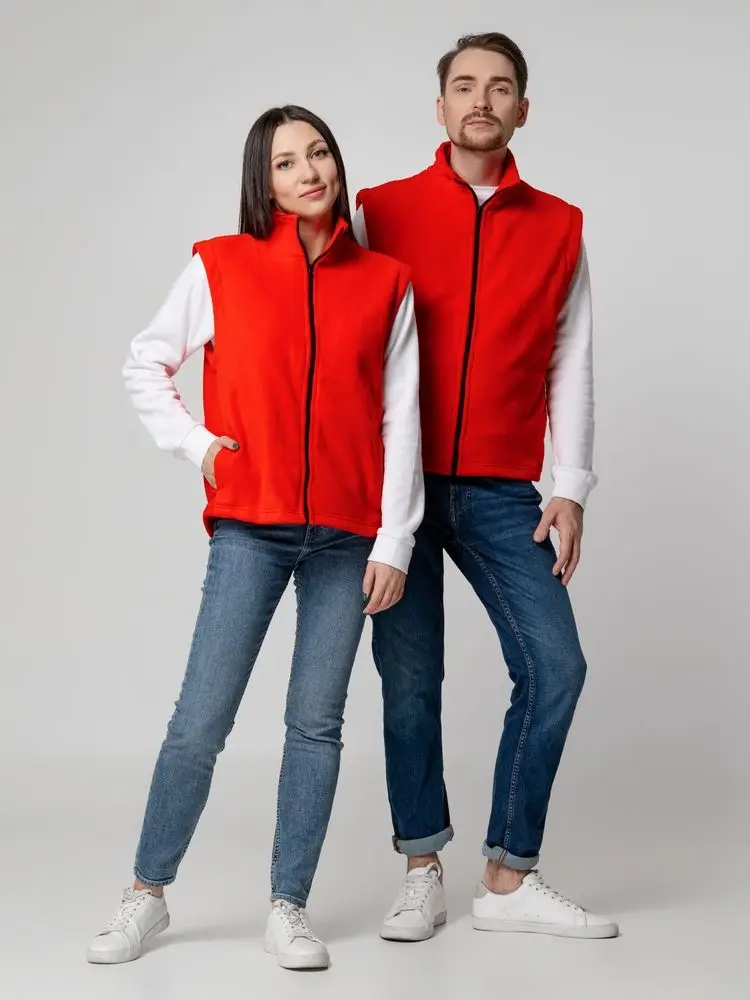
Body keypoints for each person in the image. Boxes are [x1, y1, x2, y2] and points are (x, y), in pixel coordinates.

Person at [86, 105, 423, 971]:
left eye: (319, 153)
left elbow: (402, 418)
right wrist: (198, 444)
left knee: (316, 725)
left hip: (348, 536)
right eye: (286, 162)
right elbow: (144, 361)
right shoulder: (220, 264)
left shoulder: (386, 281)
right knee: (200, 720)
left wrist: (395, 539)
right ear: (262, 181)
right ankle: (146, 894)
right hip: (251, 526)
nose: (309, 171)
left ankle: (289, 906)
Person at [353, 33, 619, 940]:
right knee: (409, 679)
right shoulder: (379, 211)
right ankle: (420, 866)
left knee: (556, 666)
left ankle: (508, 878)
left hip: (504, 486)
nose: (481, 100)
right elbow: (341, 337)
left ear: (522, 110)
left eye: (500, 88)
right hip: (397, 489)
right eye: (464, 86)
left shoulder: (560, 226)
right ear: (440, 107)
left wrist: (569, 485)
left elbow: (572, 360)